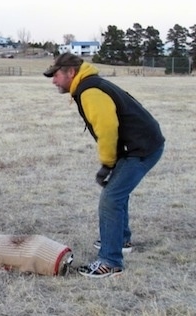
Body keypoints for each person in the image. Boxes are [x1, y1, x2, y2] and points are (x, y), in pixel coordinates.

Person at [43, 53, 165, 278]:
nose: (53, 81)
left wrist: (108, 164)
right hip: (142, 144)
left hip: (140, 148)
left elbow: (108, 129)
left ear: (71, 72)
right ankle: (121, 239)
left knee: (111, 198)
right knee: (117, 193)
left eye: (56, 75)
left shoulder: (90, 91)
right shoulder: (90, 85)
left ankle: (111, 262)